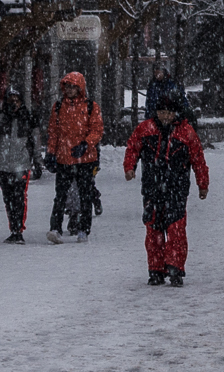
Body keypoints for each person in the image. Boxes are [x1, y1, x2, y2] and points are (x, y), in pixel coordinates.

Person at [123, 93, 211, 285]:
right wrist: (129, 167)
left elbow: (198, 160)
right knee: (153, 229)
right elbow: (133, 147)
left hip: (177, 189)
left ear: (174, 113)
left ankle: (175, 268)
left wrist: (202, 184)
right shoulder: (145, 129)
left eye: (168, 113)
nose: (165, 116)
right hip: (152, 188)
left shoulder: (186, 133)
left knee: (176, 229)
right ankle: (156, 269)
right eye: (161, 112)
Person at [45, 71, 104, 242]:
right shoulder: (58, 107)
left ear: (80, 88)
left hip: (85, 158)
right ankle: (56, 228)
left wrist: (85, 144)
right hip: (65, 158)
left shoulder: (91, 106)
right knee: (60, 196)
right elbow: (53, 132)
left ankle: (83, 229)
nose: (70, 90)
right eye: (67, 86)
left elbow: (97, 130)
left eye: (73, 87)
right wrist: (50, 152)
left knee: (84, 195)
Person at [0, 87, 38, 243]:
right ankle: (13, 228)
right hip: (4, 164)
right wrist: (4, 114)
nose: (14, 104)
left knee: (19, 198)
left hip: (21, 164)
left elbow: (35, 139)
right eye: (11, 100)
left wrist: (37, 160)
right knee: (8, 199)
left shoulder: (28, 117)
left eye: (16, 101)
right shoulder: (3, 117)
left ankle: (18, 230)